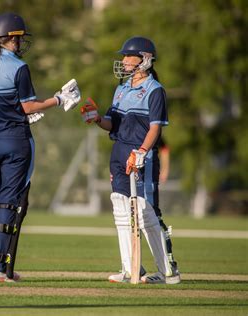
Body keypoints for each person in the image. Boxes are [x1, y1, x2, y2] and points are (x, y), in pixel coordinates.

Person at [0, 12, 81, 282]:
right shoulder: (18, 67)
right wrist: (57, 99)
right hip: (15, 142)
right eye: (20, 38)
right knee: (9, 204)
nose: (22, 43)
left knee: (6, 203)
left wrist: (20, 112)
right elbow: (27, 106)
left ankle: (4, 267)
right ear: (12, 38)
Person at [80, 36, 180, 284]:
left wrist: (142, 152)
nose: (123, 61)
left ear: (145, 59)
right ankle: (130, 268)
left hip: (141, 156)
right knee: (121, 209)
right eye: (123, 56)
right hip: (119, 153)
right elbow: (111, 123)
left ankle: (167, 272)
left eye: (128, 56)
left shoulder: (155, 91)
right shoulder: (122, 88)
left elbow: (155, 129)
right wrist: (96, 119)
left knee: (147, 212)